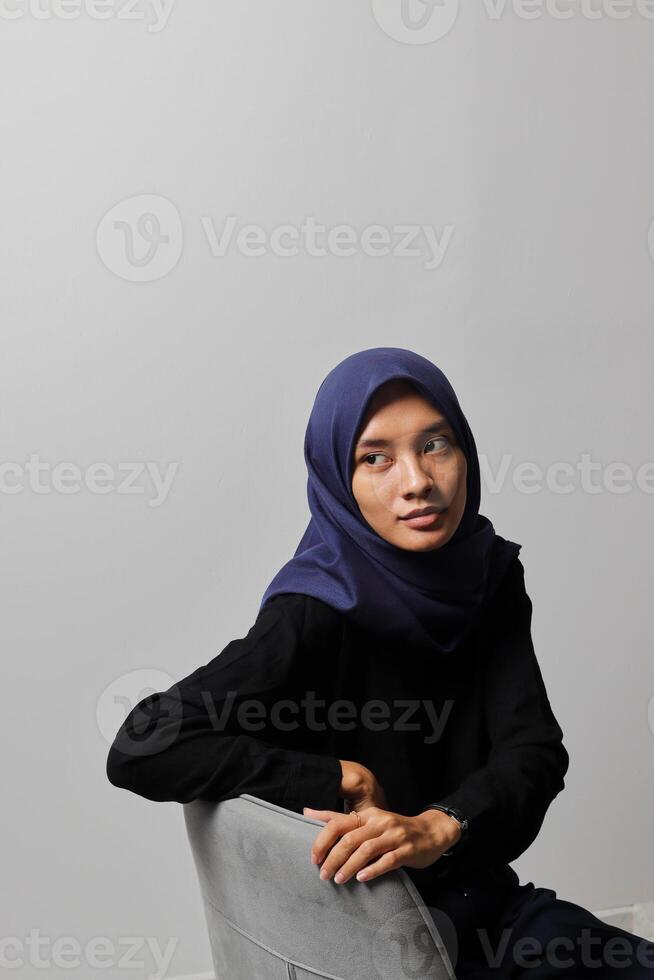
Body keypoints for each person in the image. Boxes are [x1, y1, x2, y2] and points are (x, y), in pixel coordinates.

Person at [106, 347, 654, 977]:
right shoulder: (315, 606)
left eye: (436, 444)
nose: (417, 480)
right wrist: (335, 777)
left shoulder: (488, 577)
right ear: (340, 481)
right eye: (376, 458)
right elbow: (143, 743)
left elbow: (533, 752)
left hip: (485, 908)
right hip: (368, 937)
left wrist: (440, 826)